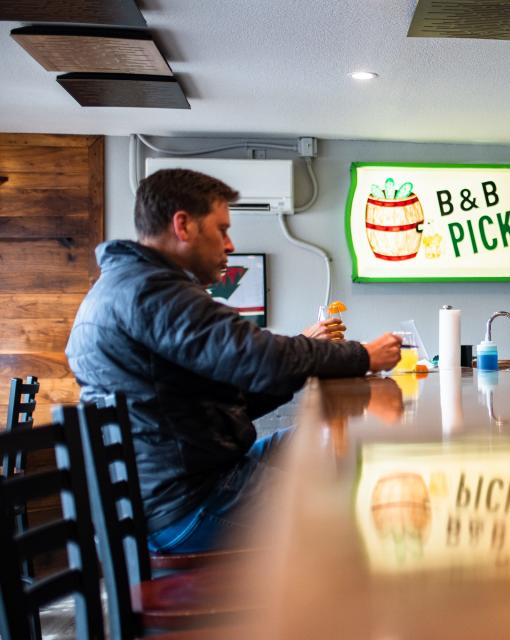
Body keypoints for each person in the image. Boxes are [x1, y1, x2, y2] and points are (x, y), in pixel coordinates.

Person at [66, 168, 402, 552]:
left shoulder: (129, 285)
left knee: (328, 438)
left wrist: (301, 359)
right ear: (183, 225)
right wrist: (363, 355)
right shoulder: (150, 291)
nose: (229, 244)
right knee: (345, 504)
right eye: (222, 229)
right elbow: (259, 357)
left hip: (168, 488)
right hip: (186, 503)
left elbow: (236, 382)